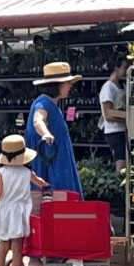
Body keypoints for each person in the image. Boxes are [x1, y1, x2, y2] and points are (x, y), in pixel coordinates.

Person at [0, 133, 47, 266]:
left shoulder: (1, 172)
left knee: (3, 247)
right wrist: (45, 184)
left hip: (4, 211)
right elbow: (40, 183)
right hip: (20, 212)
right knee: (17, 248)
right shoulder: (27, 172)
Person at [26, 58, 82, 195]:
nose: (70, 86)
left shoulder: (50, 103)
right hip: (51, 161)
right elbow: (37, 120)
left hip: (55, 159)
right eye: (68, 83)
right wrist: (45, 133)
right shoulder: (42, 103)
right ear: (58, 85)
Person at [97, 54, 129, 164]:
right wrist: (126, 117)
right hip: (114, 131)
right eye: (124, 67)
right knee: (120, 161)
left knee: (125, 159)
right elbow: (108, 115)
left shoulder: (123, 85)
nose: (126, 71)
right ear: (116, 68)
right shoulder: (108, 88)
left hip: (123, 130)